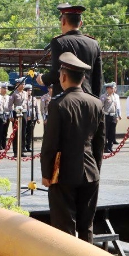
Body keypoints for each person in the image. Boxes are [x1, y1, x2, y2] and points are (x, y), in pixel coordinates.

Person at [41, 52, 105, 243]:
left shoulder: (58, 104)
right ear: (83, 78)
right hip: (90, 171)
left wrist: (46, 174)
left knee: (64, 228)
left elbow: (50, 144)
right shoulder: (96, 103)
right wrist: (96, 170)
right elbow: (99, 143)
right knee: (87, 227)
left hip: (64, 173)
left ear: (63, 77)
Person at [35, 3, 103, 97]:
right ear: (80, 23)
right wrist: (95, 101)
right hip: (88, 99)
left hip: (64, 100)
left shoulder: (58, 42)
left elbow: (56, 73)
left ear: (63, 21)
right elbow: (98, 78)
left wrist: (43, 79)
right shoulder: (94, 43)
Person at [8, 78, 29, 157]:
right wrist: (10, 115)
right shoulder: (14, 93)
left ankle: (22, 150)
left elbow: (27, 105)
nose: (23, 85)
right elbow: (10, 105)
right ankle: (16, 151)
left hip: (24, 113)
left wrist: (28, 114)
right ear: (17, 84)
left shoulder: (25, 93)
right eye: (21, 84)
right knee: (16, 133)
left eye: (24, 84)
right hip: (16, 113)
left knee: (23, 132)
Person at [100, 82, 120, 154]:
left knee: (112, 132)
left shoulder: (114, 97)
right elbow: (101, 107)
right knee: (106, 132)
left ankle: (110, 146)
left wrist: (117, 116)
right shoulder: (103, 96)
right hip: (106, 116)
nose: (113, 89)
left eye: (113, 88)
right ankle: (105, 147)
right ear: (107, 89)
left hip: (113, 116)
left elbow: (116, 107)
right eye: (111, 88)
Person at [23, 84, 40, 152]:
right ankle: (23, 146)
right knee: (24, 133)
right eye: (28, 90)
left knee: (30, 133)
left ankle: (28, 146)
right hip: (26, 117)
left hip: (33, 118)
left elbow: (37, 108)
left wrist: (38, 118)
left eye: (30, 90)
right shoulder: (23, 99)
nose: (29, 92)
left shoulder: (34, 99)